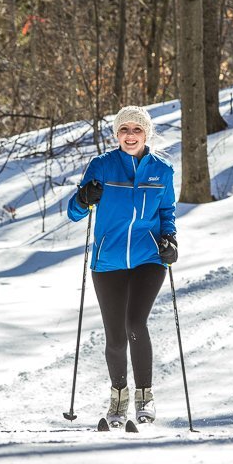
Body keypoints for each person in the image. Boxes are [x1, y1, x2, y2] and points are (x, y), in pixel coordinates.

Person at [68, 106, 178, 426]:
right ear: (116, 135)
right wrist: (84, 198)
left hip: (148, 258)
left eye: (137, 130)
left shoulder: (162, 170)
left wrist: (170, 238)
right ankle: (118, 399)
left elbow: (167, 210)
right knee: (115, 337)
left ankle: (145, 397)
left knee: (135, 324)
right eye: (124, 130)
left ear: (147, 134)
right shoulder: (101, 166)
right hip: (108, 261)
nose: (130, 135)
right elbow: (74, 213)